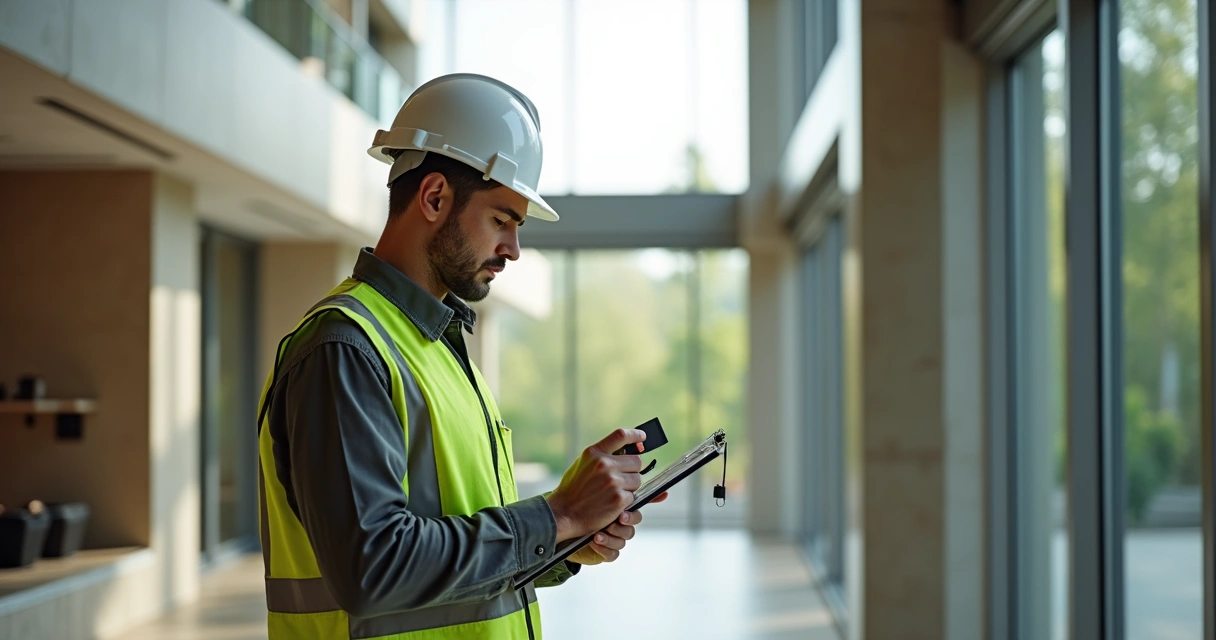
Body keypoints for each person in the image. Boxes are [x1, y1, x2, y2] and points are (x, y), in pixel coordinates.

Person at [256, 73, 663, 640]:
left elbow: (457, 561)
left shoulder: (438, 349)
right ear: (435, 197)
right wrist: (556, 514)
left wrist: (567, 540)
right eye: (502, 220)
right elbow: (374, 568)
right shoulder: (343, 349)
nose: (513, 250)